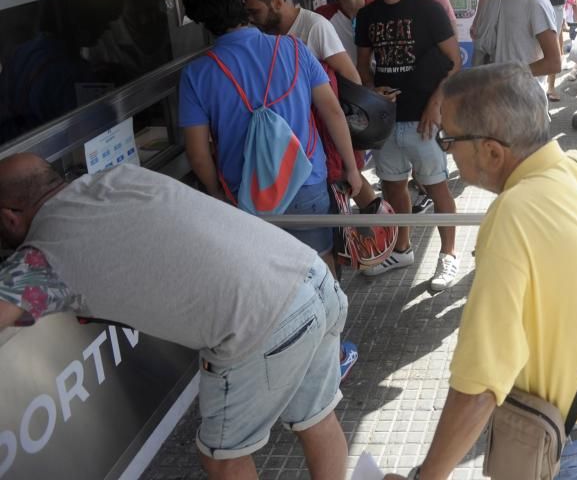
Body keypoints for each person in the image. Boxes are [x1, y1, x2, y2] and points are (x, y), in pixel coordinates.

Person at [382, 63, 577, 480]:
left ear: (491, 151)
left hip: (576, 443)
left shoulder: (510, 217)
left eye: (448, 140)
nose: (446, 150)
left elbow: (480, 388)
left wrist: (427, 476)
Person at [0, 156, 351, 480]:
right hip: (310, 274)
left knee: (223, 458)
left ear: (9, 216)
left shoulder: (44, 256)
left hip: (261, 322)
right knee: (316, 418)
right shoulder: (119, 176)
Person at [178, 0, 361, 255]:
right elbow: (333, 112)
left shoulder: (196, 74)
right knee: (320, 267)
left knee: (268, 282)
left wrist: (216, 192)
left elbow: (198, 152)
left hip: (246, 195)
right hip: (307, 183)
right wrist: (351, 168)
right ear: (243, 3)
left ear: (202, 20)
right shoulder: (292, 48)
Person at [355, 0, 462, 291]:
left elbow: (455, 61)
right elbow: (363, 68)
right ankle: (401, 248)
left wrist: (435, 104)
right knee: (392, 187)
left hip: (423, 119)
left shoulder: (428, 10)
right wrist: (371, 90)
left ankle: (448, 256)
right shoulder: (368, 15)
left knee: (437, 186)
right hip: (386, 121)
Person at [241, 0, 360, 85]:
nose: (250, 19)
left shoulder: (315, 27)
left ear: (277, 3)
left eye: (255, 12)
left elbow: (351, 77)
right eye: (246, 12)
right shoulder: (257, 33)